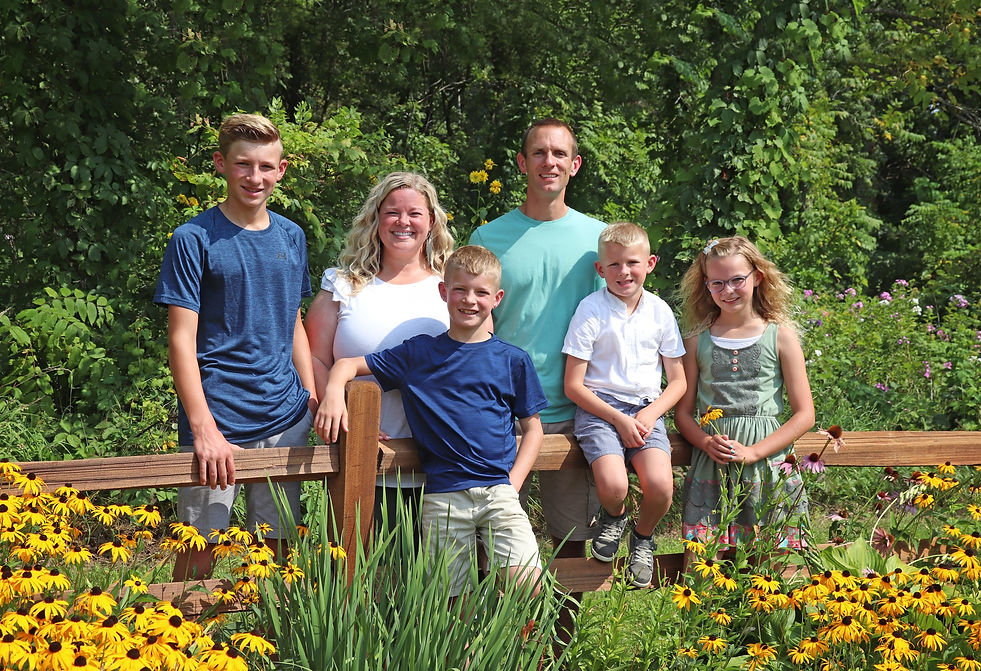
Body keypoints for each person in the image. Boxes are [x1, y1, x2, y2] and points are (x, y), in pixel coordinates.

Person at [315, 245, 546, 597]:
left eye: (481, 292)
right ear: (444, 292)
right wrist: (333, 392)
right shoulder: (419, 354)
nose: (470, 300)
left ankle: (508, 646)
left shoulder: (512, 360)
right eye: (461, 290)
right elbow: (347, 365)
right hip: (443, 496)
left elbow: (533, 430)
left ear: (497, 298)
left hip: (499, 490)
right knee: (452, 602)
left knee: (525, 582)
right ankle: (465, 651)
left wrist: (513, 483)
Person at [154, 113, 317, 580]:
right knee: (198, 550)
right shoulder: (194, 239)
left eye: (266, 167)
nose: (255, 177)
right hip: (218, 418)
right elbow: (180, 339)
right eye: (244, 165)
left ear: (282, 169)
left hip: (286, 417)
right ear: (220, 165)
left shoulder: (292, 235)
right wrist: (203, 427)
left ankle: (267, 648)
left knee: (278, 554)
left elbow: (293, 322)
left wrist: (308, 395)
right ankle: (189, 650)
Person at [469, 118, 605, 572]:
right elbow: (475, 328)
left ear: (575, 165)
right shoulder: (489, 238)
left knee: (572, 544)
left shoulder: (598, 241)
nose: (550, 162)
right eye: (540, 153)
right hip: (502, 418)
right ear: (523, 162)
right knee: (492, 546)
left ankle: (560, 646)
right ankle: (497, 642)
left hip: (575, 413)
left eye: (560, 154)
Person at [304, 172, 454, 531]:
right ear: (375, 218)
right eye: (392, 212)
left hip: (439, 463)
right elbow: (312, 357)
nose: (403, 222)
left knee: (430, 582)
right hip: (357, 459)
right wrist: (338, 415)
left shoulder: (454, 285)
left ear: (431, 221)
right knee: (354, 574)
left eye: (414, 213)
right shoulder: (343, 284)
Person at [562, 222, 686, 587]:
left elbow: (677, 381)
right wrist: (618, 419)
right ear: (600, 270)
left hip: (646, 409)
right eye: (613, 265)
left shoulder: (660, 311)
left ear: (650, 263)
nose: (624, 272)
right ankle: (614, 516)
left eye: (632, 262)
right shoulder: (591, 309)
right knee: (614, 485)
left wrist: (649, 414)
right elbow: (573, 384)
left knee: (661, 486)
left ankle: (642, 536)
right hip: (600, 409)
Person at [675, 236, 814, 552]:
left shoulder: (782, 338)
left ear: (757, 278)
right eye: (717, 283)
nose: (728, 290)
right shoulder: (697, 342)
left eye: (737, 279)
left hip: (767, 465)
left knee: (770, 565)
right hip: (713, 463)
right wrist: (705, 442)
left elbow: (805, 414)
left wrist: (754, 452)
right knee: (702, 561)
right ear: (707, 286)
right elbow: (682, 414)